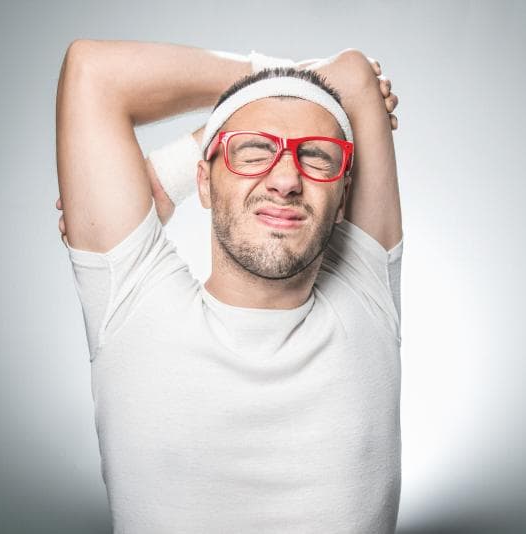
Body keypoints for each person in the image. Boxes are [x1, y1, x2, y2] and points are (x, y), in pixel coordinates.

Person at [55, 40, 402, 533]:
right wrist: (270, 75)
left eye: (317, 159)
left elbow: (353, 77)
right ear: (203, 181)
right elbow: (93, 70)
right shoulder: (132, 296)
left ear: (345, 195)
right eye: (254, 151)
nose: (285, 180)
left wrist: (262, 98)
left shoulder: (368, 292)